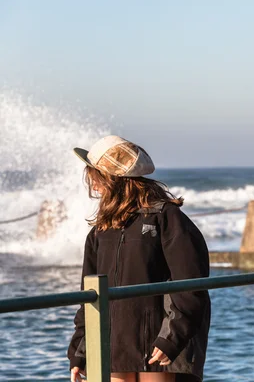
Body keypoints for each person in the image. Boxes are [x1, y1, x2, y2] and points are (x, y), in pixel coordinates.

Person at [67, 136, 211, 382]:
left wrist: (171, 337)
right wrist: (80, 352)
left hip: (161, 343)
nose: (93, 186)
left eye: (95, 176)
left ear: (110, 178)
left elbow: (190, 285)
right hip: (113, 342)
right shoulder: (100, 230)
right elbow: (88, 297)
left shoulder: (167, 219)